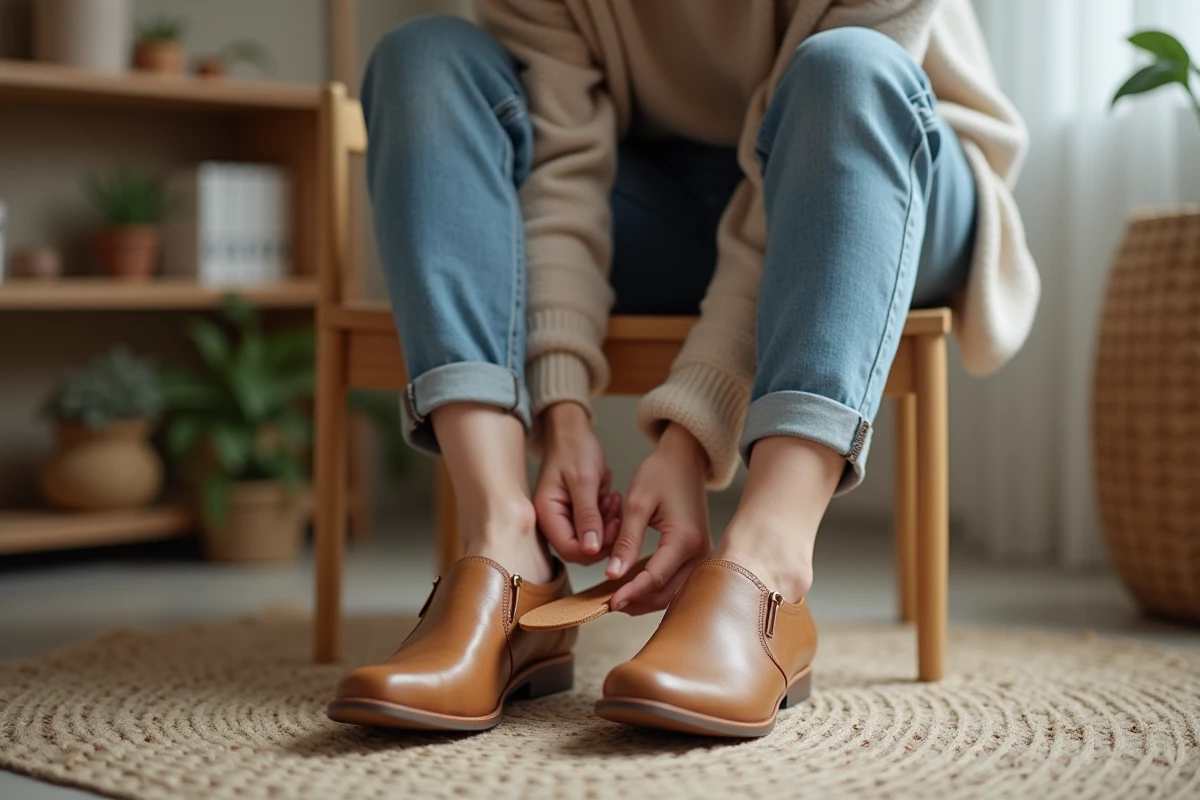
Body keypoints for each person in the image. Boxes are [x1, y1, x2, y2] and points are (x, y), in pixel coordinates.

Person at [326, 0, 1037, 737]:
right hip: (651, 195)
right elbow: (562, 171)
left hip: (881, 166)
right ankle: (504, 546)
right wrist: (562, 413)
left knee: (847, 71)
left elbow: (806, 165)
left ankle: (771, 563)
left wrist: (692, 438)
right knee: (426, 59)